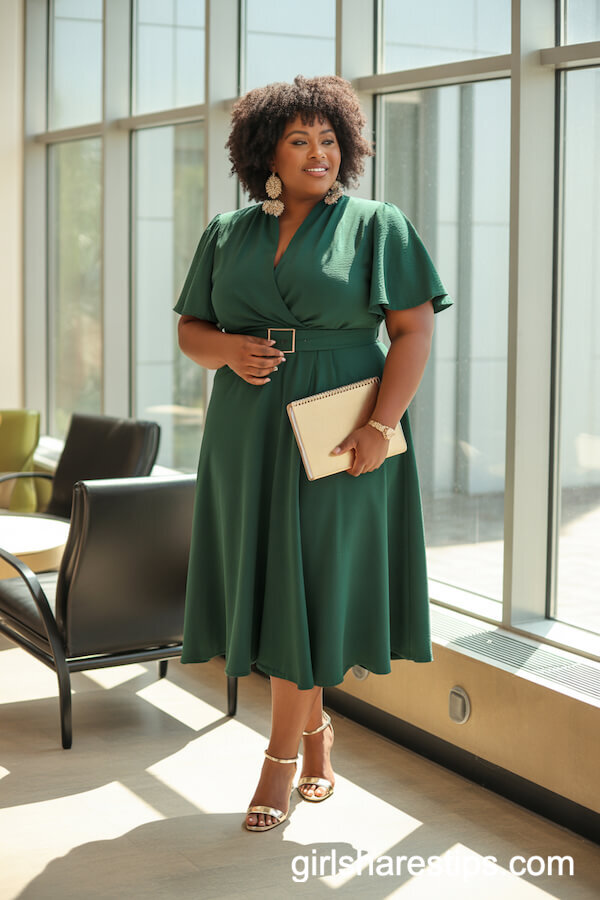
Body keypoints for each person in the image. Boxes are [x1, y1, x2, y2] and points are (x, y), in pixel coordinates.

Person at [174, 74, 453, 833]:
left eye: (329, 139)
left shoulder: (376, 224)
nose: (317, 153)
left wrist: (380, 426)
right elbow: (190, 332)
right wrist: (228, 350)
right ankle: (319, 738)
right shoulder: (226, 233)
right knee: (280, 588)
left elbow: (415, 332)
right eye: (300, 140)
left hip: (340, 429)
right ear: (267, 151)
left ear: (348, 146)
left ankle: (278, 764)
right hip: (246, 430)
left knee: (315, 583)